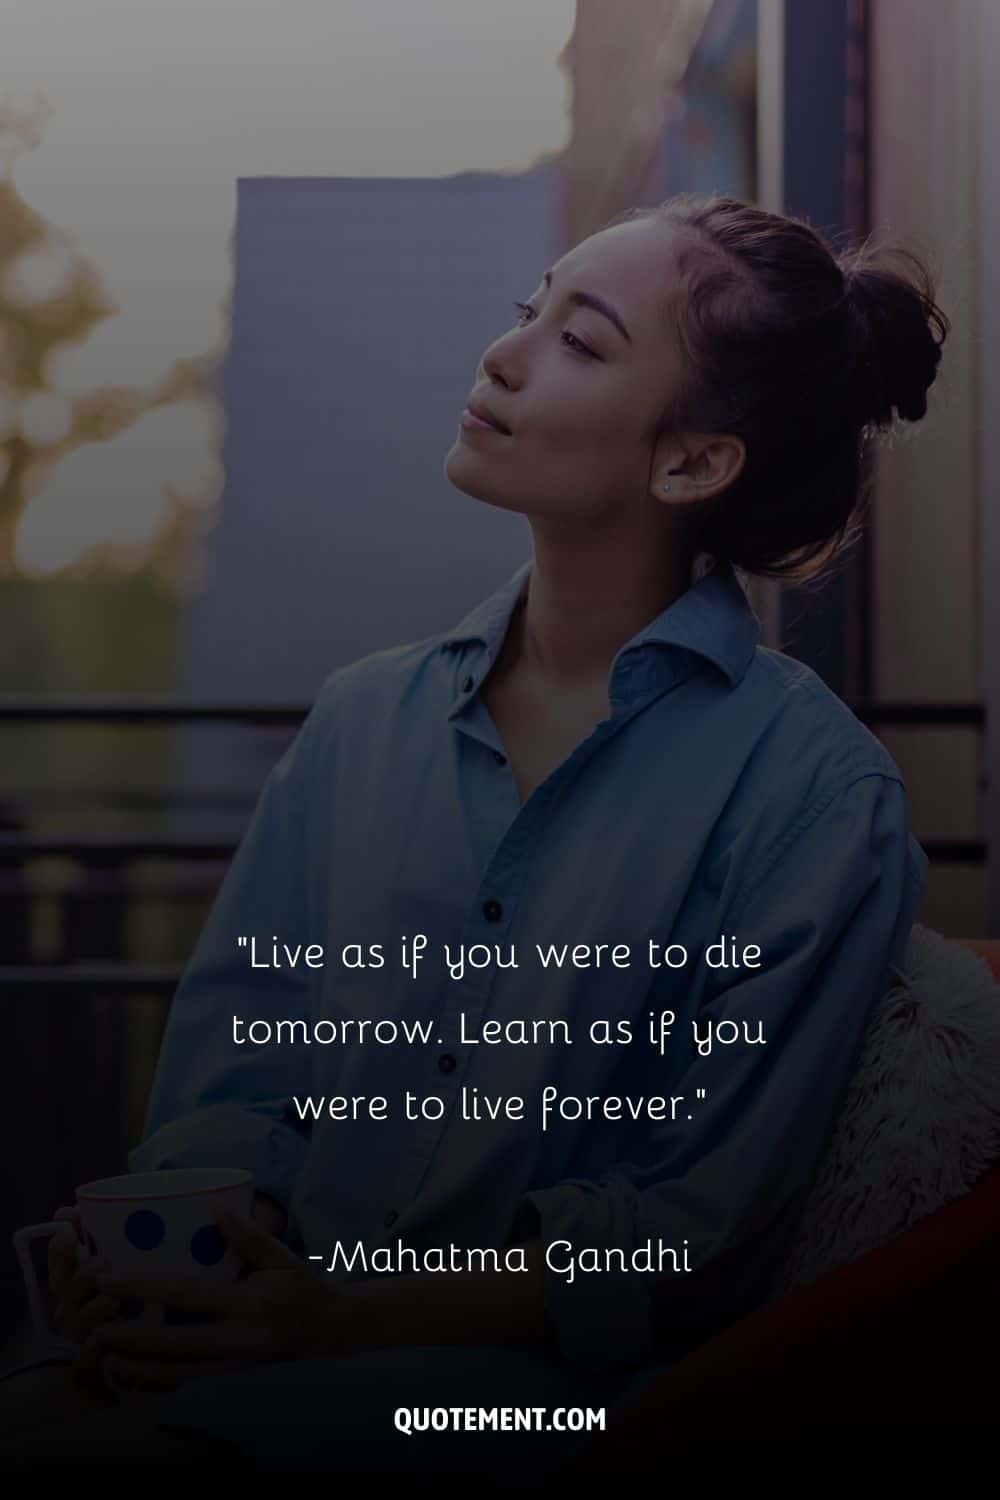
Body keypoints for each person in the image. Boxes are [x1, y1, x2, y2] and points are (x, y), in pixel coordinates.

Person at [7, 194, 947, 1472]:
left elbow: (687, 1238)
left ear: (690, 463)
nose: (502, 355)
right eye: (527, 310)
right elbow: (230, 1089)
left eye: (584, 339)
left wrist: (333, 1322)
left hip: (542, 1408)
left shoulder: (816, 795)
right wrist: (167, 1248)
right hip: (267, 1343)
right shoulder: (360, 722)